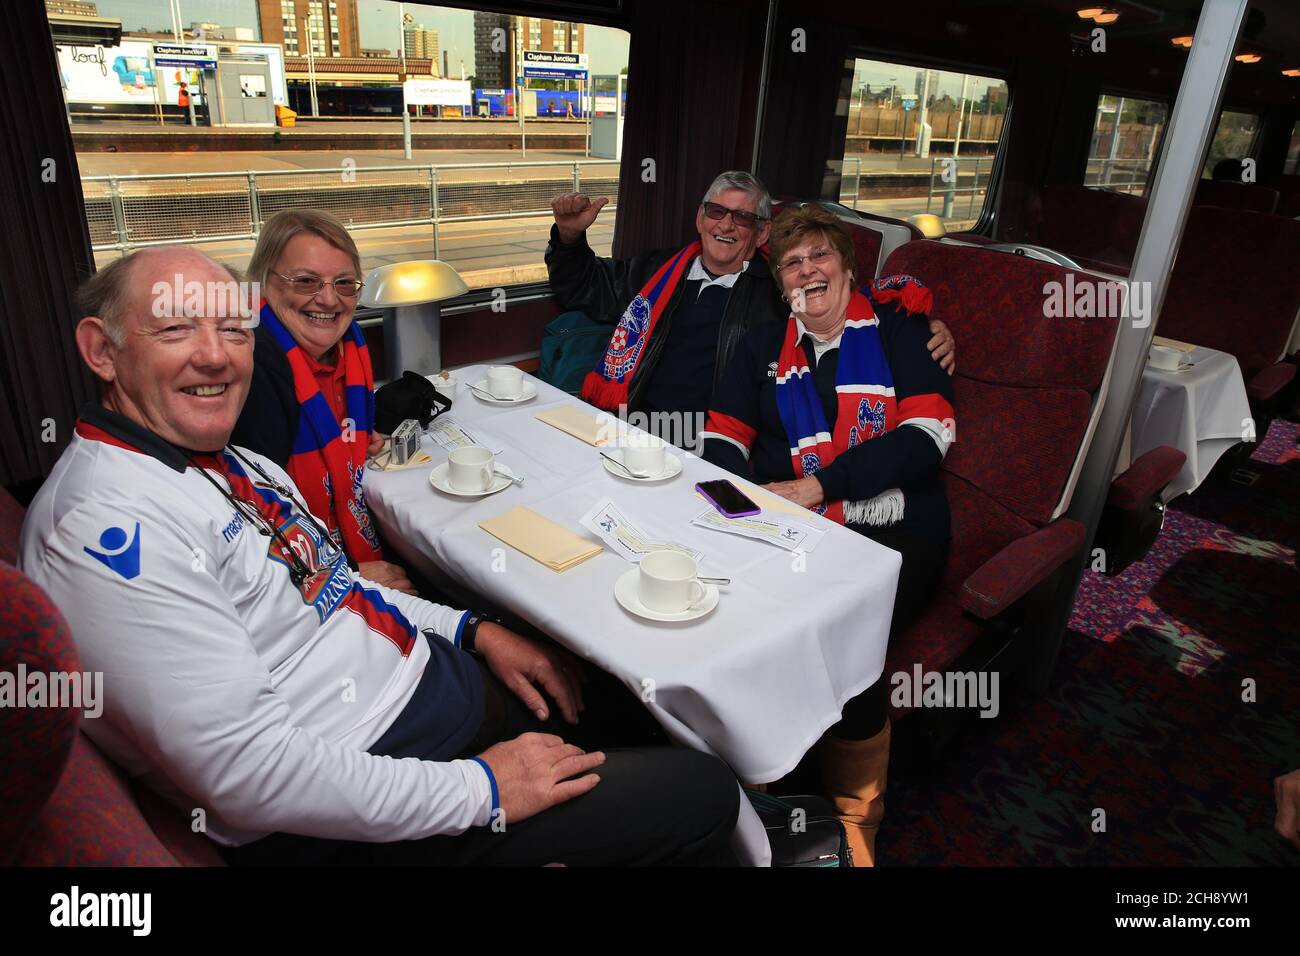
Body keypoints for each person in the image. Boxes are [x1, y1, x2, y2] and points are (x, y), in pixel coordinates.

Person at [19, 245, 740, 866]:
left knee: (627, 687)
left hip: (421, 690)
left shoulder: (231, 463)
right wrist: (484, 791)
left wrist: (475, 632)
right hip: (365, 798)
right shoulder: (105, 528)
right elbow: (248, 773)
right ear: (101, 349)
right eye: (176, 328)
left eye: (234, 329)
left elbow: (340, 589)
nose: (215, 354)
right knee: (708, 797)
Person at [700, 204, 955, 866]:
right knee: (729, 618)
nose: (807, 270)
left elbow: (928, 437)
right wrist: (747, 507)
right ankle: (754, 788)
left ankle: (856, 821)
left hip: (895, 526)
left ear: (845, 264)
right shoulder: (760, 346)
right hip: (782, 521)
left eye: (820, 256)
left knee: (847, 641)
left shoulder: (903, 333)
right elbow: (721, 439)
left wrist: (822, 487)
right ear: (780, 280)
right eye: (792, 262)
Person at [544, 170, 954, 447]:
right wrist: (568, 236)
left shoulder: (777, 290)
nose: (725, 226)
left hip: (703, 436)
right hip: (624, 418)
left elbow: (842, 304)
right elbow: (588, 288)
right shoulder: (658, 271)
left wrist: (921, 324)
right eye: (717, 212)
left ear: (761, 233)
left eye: (742, 218)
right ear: (700, 218)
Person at [232, 209, 414, 594]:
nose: (329, 299)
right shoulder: (257, 366)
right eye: (306, 282)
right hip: (301, 577)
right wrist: (350, 571)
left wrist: (355, 439)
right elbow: (252, 520)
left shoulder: (350, 347)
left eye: (344, 283)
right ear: (264, 284)